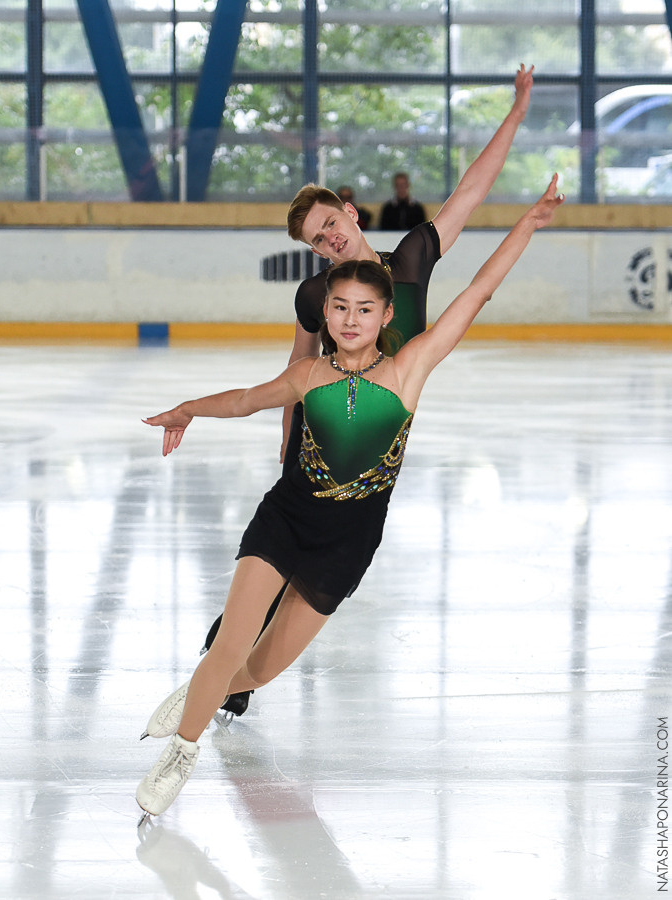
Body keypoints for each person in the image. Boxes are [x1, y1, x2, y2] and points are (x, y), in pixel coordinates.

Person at [136, 176, 565, 818]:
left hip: (347, 544)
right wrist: (185, 411)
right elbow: (247, 400)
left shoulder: (410, 367)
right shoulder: (308, 375)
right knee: (230, 645)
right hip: (285, 519)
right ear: (326, 312)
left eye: (366, 310)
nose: (351, 319)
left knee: (257, 671)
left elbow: (478, 291)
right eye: (340, 308)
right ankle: (180, 754)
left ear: (387, 316)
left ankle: (197, 692)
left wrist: (527, 225)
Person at [204, 62, 536, 715]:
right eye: (315, 239)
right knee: (293, 543)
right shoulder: (315, 294)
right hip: (318, 432)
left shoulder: (411, 260)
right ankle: (234, 655)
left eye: (329, 223)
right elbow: (296, 364)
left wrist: (518, 111)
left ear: (349, 211)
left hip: (374, 425)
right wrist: (283, 439)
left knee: (323, 552)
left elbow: (470, 191)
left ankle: (235, 655)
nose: (327, 238)